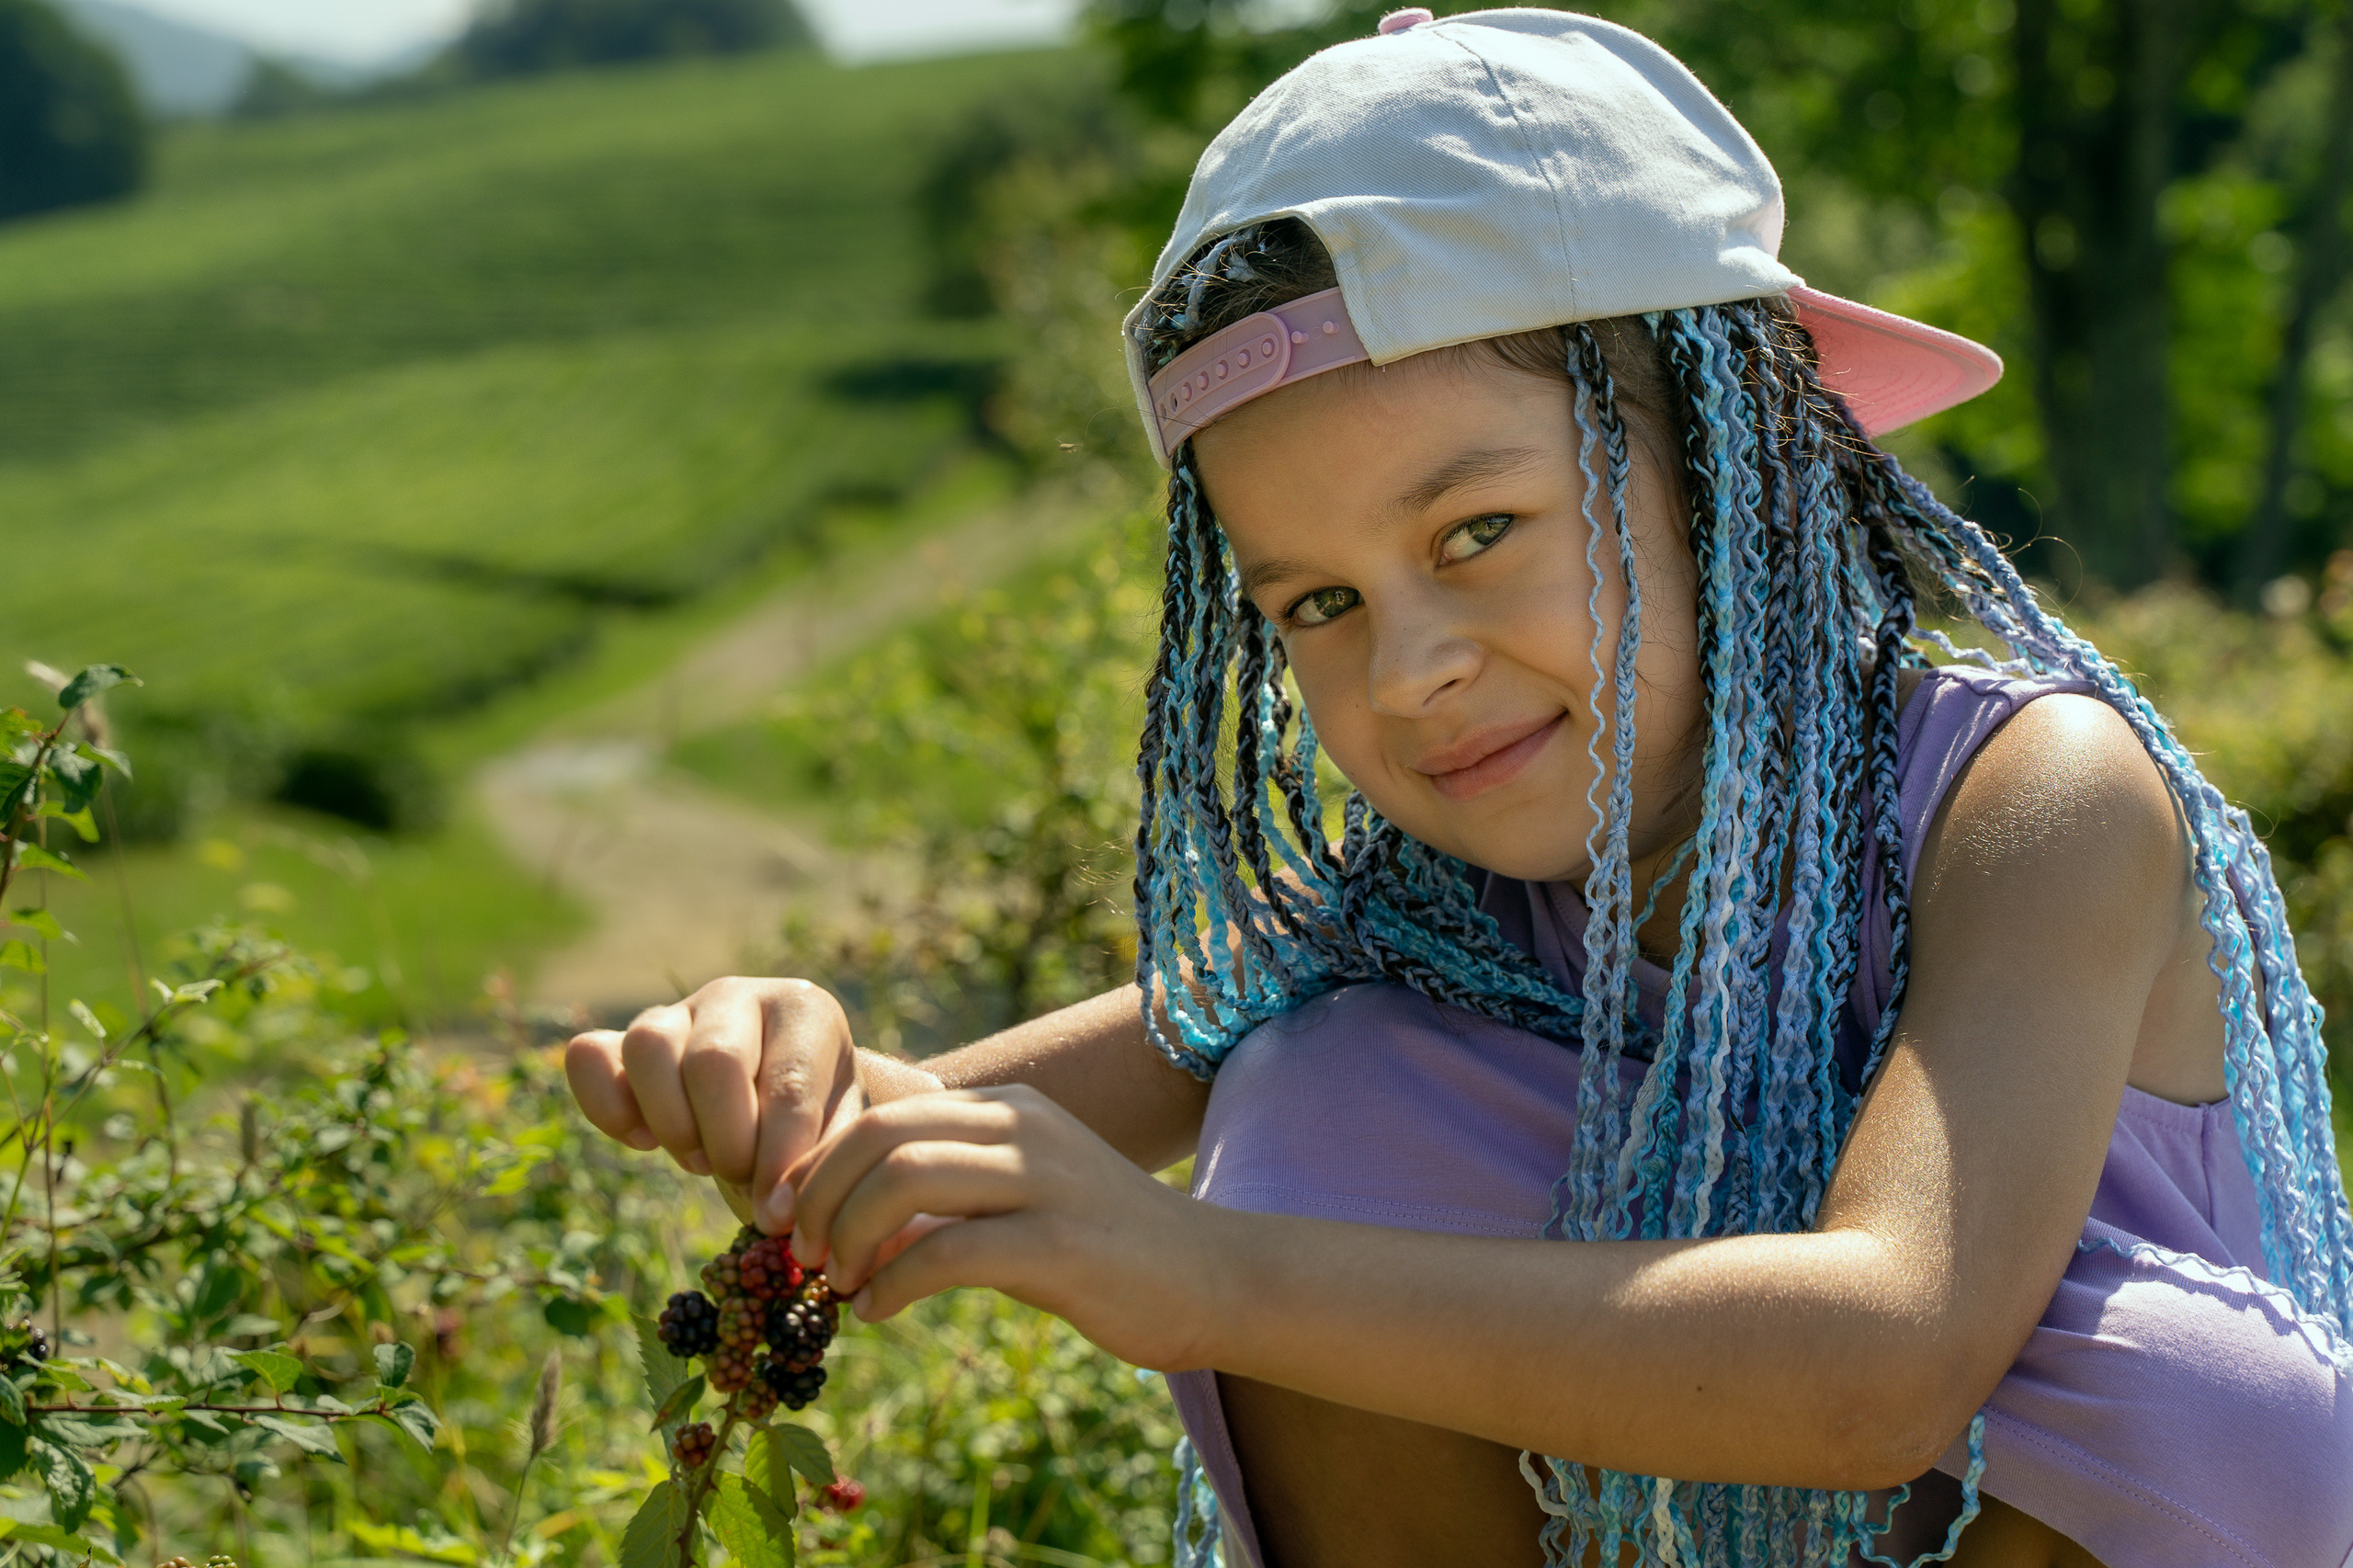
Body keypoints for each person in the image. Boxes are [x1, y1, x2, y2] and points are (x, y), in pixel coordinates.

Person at [563, 9, 2353, 1565]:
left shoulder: (2026, 797)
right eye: (1318, 604)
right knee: (1319, 1080)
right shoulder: (1426, 912)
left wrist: (1193, 1278)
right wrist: (775, 1070)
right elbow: (938, 1131)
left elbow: (1883, 1358)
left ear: (1743, 457)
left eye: (1476, 530)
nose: (1409, 667)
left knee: (2212, 1406)